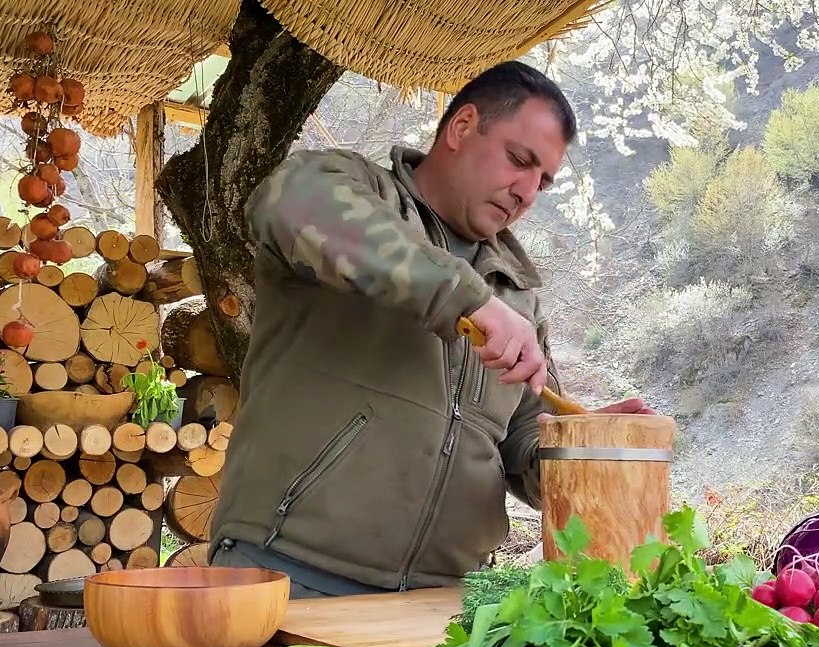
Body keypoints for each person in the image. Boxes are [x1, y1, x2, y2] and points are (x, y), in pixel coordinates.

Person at [207, 60, 654, 598]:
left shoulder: (517, 294)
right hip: (289, 570)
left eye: (543, 181)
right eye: (519, 160)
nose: (526, 192)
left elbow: (523, 439)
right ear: (462, 127)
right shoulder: (350, 190)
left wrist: (583, 443)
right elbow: (289, 202)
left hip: (447, 596)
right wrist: (467, 299)